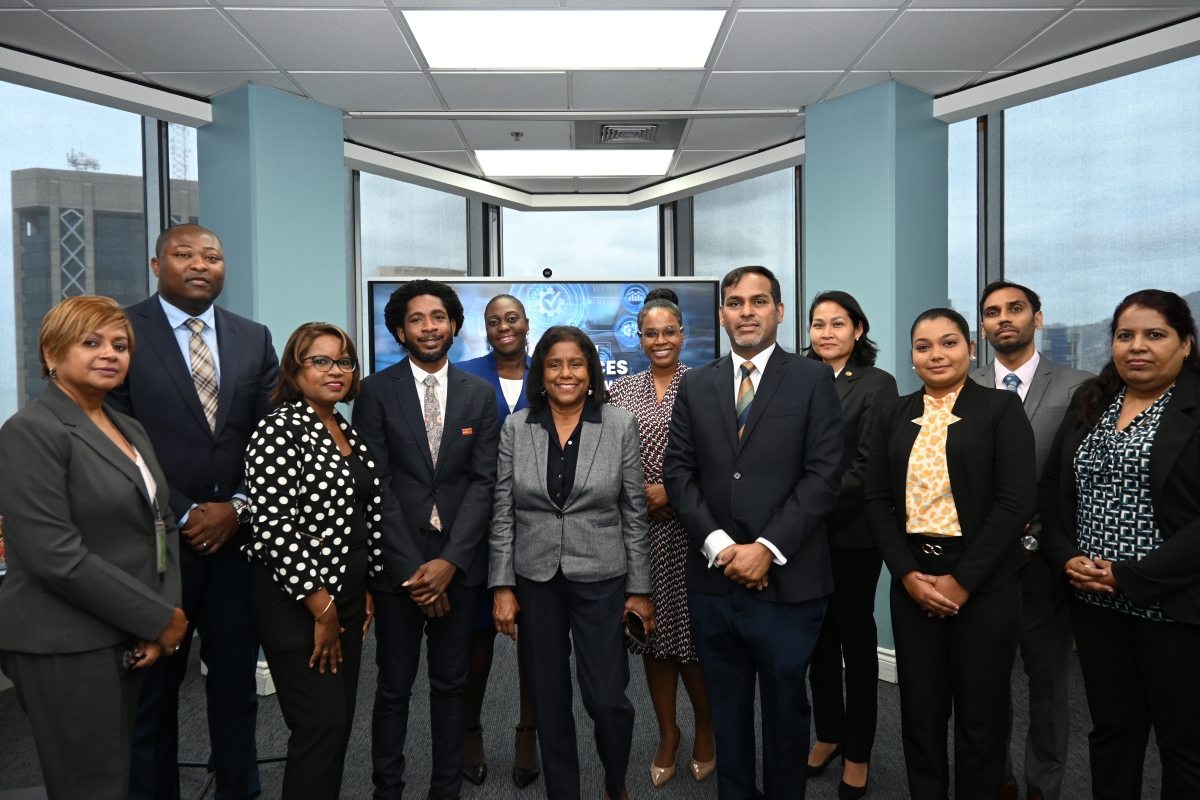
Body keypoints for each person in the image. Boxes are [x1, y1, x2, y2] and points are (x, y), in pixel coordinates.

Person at [110, 224, 279, 800]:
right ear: (157, 265)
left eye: (212, 255)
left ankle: (241, 790)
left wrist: (236, 506)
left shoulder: (253, 337)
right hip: (155, 546)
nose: (200, 264)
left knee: (236, 687)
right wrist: (186, 513)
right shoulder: (120, 333)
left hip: (235, 543)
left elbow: (270, 436)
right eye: (184, 255)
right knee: (153, 692)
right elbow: (116, 437)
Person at [662, 266, 844, 800]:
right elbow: (678, 472)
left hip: (789, 585)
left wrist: (766, 548)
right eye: (735, 303)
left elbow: (823, 475)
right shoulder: (696, 382)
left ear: (779, 312)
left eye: (758, 301)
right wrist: (720, 547)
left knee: (788, 713)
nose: (746, 311)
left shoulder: (813, 379)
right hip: (715, 584)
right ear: (721, 314)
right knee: (728, 712)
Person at [0, 296, 188, 800]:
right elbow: (54, 556)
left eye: (120, 345)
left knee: (117, 777)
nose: (110, 354)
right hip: (64, 642)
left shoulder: (128, 427)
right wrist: (156, 619)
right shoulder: (29, 432)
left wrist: (160, 614)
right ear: (51, 354)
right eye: (91, 342)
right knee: (89, 786)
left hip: (124, 632)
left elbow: (162, 525)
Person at [865, 308, 1037, 800]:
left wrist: (962, 581)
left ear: (970, 348)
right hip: (914, 578)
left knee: (982, 717)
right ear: (912, 356)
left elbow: (1015, 502)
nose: (936, 354)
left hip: (984, 584)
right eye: (923, 346)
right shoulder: (891, 412)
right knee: (920, 713)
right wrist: (907, 574)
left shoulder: (1000, 408)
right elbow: (876, 499)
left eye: (948, 343)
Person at [1039, 289, 1200, 800]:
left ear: (1186, 344)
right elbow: (1052, 492)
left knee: (1184, 744)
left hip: (1173, 607)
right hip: (1095, 603)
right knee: (1112, 733)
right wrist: (1067, 557)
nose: (1138, 346)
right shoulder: (1093, 400)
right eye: (1125, 335)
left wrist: (1127, 575)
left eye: (1155, 335)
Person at [490, 325, 654, 800]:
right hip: (535, 576)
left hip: (601, 575)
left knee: (607, 699)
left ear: (591, 371)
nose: (566, 373)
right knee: (549, 698)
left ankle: (615, 783)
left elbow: (634, 511)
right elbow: (503, 510)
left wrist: (639, 590)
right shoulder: (516, 428)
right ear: (541, 372)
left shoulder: (619, 423)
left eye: (576, 364)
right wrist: (502, 585)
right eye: (555, 364)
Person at [352, 279, 500, 800]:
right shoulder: (373, 392)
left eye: (438, 317)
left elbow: (484, 484)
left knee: (451, 685)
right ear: (399, 330)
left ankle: (445, 790)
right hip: (399, 569)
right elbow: (377, 484)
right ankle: (386, 789)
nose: (429, 327)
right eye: (416, 319)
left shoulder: (479, 395)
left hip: (457, 569)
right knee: (393, 688)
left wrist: (449, 564)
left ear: (454, 326)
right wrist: (415, 569)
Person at [242, 323, 381, 800]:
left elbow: (358, 515)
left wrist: (361, 592)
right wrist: (322, 609)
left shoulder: (342, 425)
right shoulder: (279, 427)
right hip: (296, 600)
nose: (335, 371)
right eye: (320, 361)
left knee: (337, 722)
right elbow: (275, 528)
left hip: (343, 596)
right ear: (293, 369)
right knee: (319, 724)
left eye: (344, 361)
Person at [971, 281, 1093, 800]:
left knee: (1048, 686)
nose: (1004, 319)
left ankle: (1044, 787)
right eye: (992, 312)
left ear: (1037, 318)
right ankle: (996, 780)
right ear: (982, 326)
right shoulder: (963, 382)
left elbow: (1078, 480)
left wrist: (1041, 536)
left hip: (1047, 562)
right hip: (979, 565)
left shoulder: (1079, 386)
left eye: (1015, 310)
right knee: (984, 688)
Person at [610, 288, 716, 788]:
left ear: (684, 334)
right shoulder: (621, 392)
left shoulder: (708, 384)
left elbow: (722, 460)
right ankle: (668, 734)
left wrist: (671, 493)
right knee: (651, 638)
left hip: (694, 529)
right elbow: (608, 458)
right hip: (640, 534)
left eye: (669, 331)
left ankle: (707, 730)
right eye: (650, 333)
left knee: (692, 640)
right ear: (638, 337)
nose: (660, 340)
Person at [803, 291, 897, 800]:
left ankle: (857, 750)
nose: (826, 333)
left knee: (856, 643)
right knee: (817, 640)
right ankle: (828, 733)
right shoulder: (800, 378)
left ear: (858, 330)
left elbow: (868, 466)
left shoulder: (877, 384)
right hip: (801, 536)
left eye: (837, 323)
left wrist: (806, 511)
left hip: (852, 534)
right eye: (818, 324)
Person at [455, 294, 540, 789]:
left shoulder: (549, 372)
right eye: (494, 321)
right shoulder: (465, 376)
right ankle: (470, 731)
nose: (503, 327)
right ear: (483, 329)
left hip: (537, 533)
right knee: (475, 640)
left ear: (527, 324)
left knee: (537, 640)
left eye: (512, 318)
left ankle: (528, 731)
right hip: (475, 533)